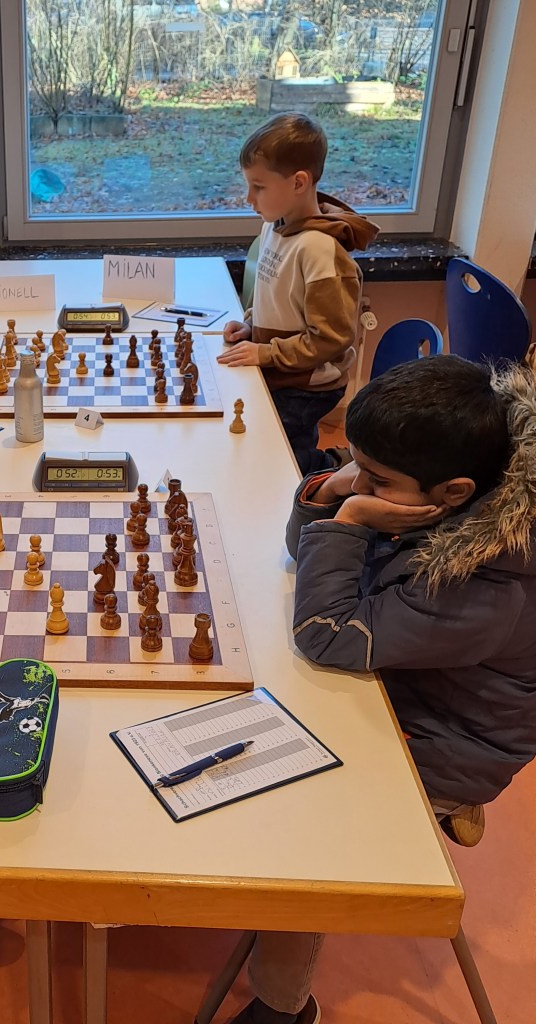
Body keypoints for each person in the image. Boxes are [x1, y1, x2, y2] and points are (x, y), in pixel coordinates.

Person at [228, 356, 536, 1024]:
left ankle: (284, 1007)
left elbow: (327, 634)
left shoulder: (488, 587)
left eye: (376, 477)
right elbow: (303, 553)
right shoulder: (442, 494)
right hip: (404, 685)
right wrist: (336, 493)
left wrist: (349, 522)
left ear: (452, 492)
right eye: (356, 463)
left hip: (444, 744)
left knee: (308, 824)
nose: (358, 481)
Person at [217, 112, 378, 475]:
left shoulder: (320, 251)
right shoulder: (274, 227)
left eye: (258, 187)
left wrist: (266, 351)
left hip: (306, 384)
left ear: (299, 182)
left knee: (282, 459)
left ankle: (329, 473)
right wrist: (251, 326)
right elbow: (278, 298)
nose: (248, 198)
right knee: (265, 446)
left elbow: (330, 340)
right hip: (282, 368)